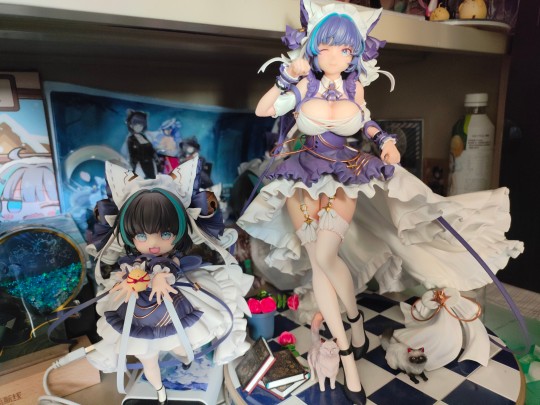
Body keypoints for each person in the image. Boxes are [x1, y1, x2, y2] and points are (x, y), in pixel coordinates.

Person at [238, 1, 523, 403]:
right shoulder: (304, 87)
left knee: (327, 256)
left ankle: (354, 322)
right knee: (319, 262)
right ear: (314, 49)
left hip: (345, 174)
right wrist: (288, 75)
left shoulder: (354, 86)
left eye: (344, 50)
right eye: (326, 47)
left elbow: (368, 122)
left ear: (354, 54)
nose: (334, 56)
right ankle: (348, 355)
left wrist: (386, 142)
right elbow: (264, 109)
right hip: (300, 179)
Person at [86, 161, 252, 404]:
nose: (153, 244)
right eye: (141, 236)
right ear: (130, 236)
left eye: (165, 234)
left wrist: (162, 278)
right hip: (138, 315)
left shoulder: (169, 261)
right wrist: (126, 280)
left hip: (171, 310)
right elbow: (128, 270)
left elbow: (171, 268)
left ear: (179, 231)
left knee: (182, 346)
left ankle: (184, 360)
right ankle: (159, 390)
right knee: (147, 357)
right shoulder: (134, 261)